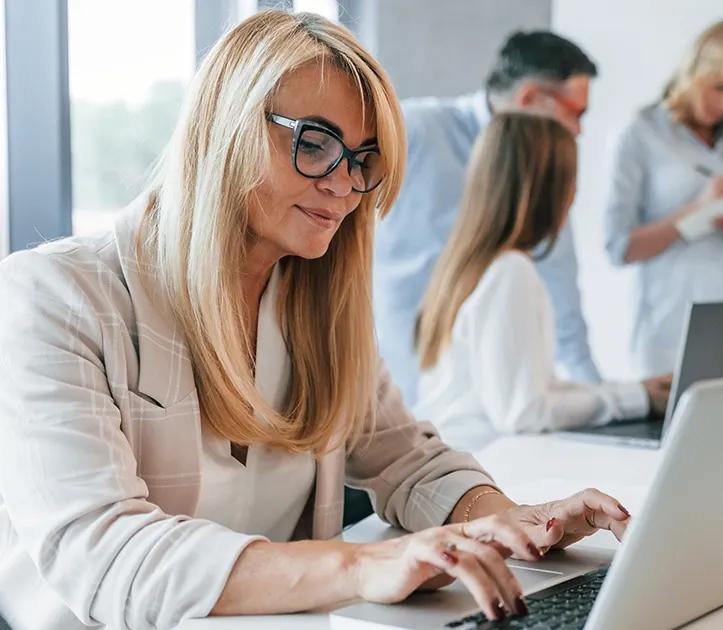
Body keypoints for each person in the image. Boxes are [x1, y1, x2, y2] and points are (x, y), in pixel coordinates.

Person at [0, 12, 630, 629]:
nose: (344, 185)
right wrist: (361, 566)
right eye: (315, 142)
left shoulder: (316, 302)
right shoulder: (56, 297)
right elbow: (106, 555)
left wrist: (509, 518)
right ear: (224, 127)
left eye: (362, 158)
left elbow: (407, 459)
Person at [414, 113, 673, 451]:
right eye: (571, 179)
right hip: (480, 466)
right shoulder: (510, 272)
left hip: (453, 460)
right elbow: (523, 412)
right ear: (547, 189)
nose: (575, 192)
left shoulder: (467, 265)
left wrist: (636, 393)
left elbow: (536, 388)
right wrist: (635, 399)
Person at [374, 31, 602, 405]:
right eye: (575, 113)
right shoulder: (412, 131)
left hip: (486, 411)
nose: (578, 130)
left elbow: (565, 307)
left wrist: (609, 402)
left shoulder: (543, 180)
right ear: (529, 98)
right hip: (395, 389)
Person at [604, 19, 723, 377]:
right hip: (670, 329)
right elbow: (619, 247)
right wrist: (698, 212)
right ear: (697, 70)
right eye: (720, 87)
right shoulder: (641, 135)